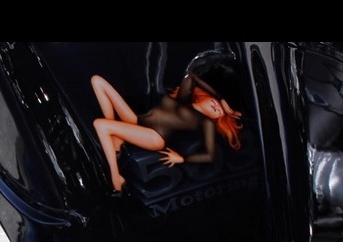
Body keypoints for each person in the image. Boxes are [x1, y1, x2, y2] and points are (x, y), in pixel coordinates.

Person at [92, 67, 243, 192]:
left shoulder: (205, 122)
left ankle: (115, 176)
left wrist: (182, 158)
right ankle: (116, 138)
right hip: (138, 121)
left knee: (100, 125)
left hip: (154, 136)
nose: (216, 107)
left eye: (218, 112)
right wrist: (222, 99)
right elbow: (190, 76)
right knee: (97, 81)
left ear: (214, 119)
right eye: (216, 103)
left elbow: (209, 156)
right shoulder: (184, 99)